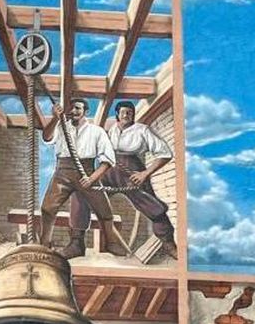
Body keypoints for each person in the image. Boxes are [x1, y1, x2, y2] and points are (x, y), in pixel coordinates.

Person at [69, 101, 178, 259]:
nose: (127, 115)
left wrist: (144, 174)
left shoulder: (142, 130)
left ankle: (168, 244)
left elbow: (165, 154)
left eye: (130, 113)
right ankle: (76, 242)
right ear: (117, 115)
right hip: (108, 169)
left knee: (153, 207)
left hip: (131, 171)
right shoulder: (111, 130)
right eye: (123, 112)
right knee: (81, 193)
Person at [39, 98, 130, 259]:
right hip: (62, 172)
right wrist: (54, 117)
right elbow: (46, 138)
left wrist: (92, 178)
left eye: (77, 108)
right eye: (71, 108)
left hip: (87, 172)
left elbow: (107, 161)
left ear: (86, 112)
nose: (73, 111)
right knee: (47, 208)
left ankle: (111, 244)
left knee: (104, 210)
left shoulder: (97, 131)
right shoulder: (61, 126)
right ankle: (44, 245)